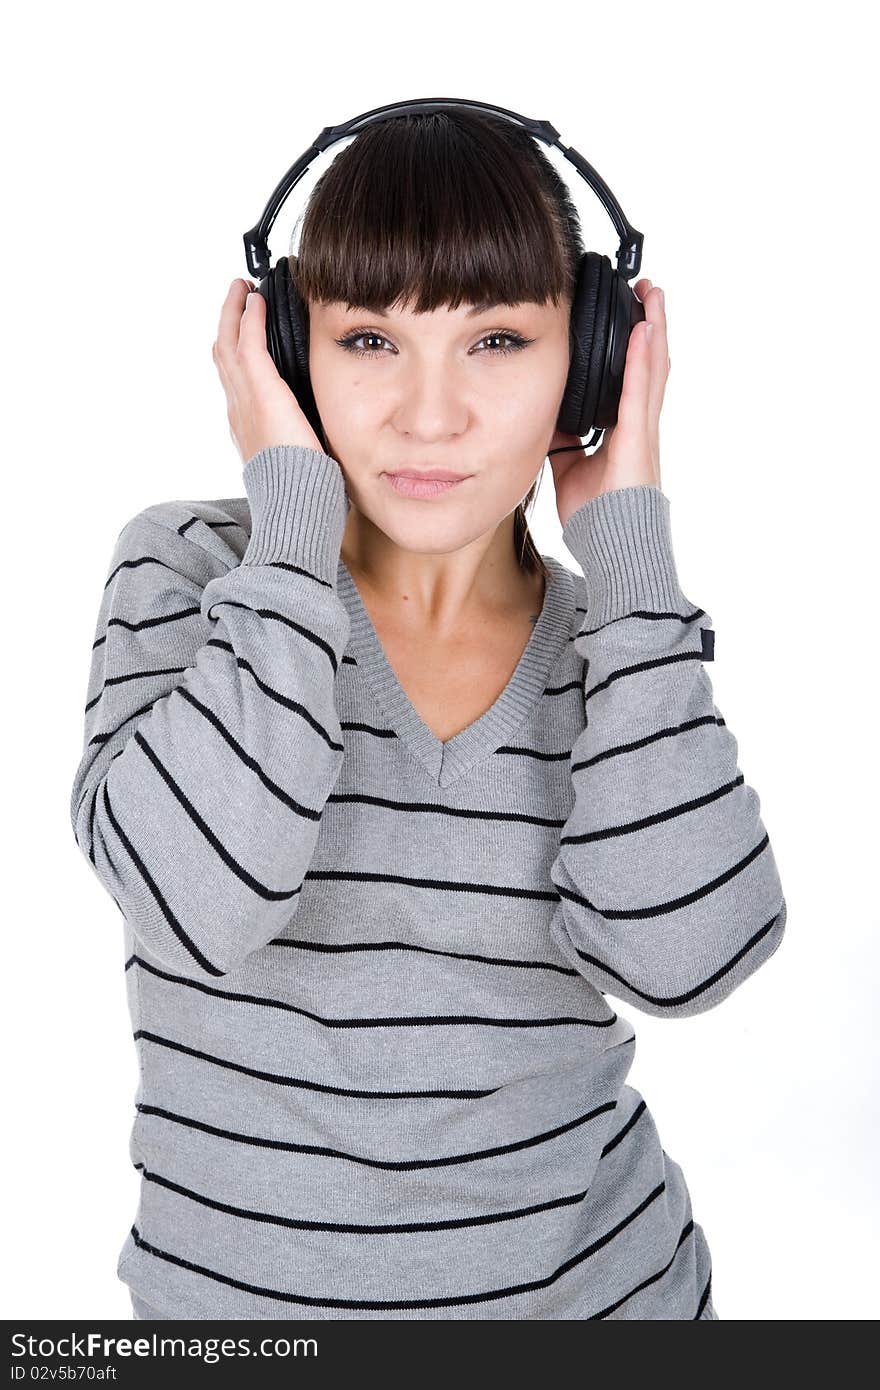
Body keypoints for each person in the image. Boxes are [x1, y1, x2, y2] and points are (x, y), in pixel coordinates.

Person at [70, 110, 784, 1320]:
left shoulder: (619, 644)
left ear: (593, 363)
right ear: (287, 356)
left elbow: (686, 962)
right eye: (366, 340)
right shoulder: (191, 574)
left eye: (498, 338)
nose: (430, 416)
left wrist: (632, 562)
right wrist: (289, 523)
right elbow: (202, 902)